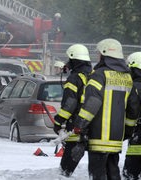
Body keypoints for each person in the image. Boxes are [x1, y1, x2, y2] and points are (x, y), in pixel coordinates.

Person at [73, 38, 139, 179]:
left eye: (99, 54)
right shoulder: (127, 78)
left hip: (98, 138)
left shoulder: (99, 75)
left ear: (104, 54)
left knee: (98, 174)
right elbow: (133, 109)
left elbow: (92, 103)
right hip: (116, 140)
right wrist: (127, 132)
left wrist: (79, 125)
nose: (97, 57)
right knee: (113, 173)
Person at [53, 44, 92, 177]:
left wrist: (58, 122)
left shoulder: (74, 78)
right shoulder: (94, 76)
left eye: (69, 60)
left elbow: (70, 104)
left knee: (65, 170)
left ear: (74, 60)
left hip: (75, 124)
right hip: (91, 123)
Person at [123, 52, 141, 179]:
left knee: (134, 159)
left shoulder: (134, 86)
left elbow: (131, 109)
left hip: (138, 130)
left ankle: (131, 175)